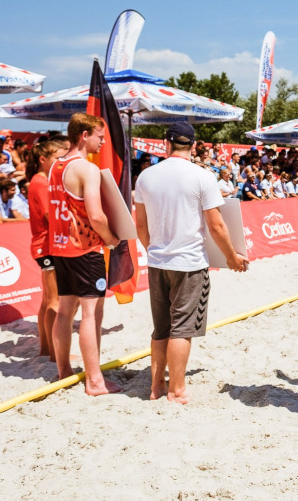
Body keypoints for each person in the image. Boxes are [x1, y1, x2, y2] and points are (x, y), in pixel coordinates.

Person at [135, 122, 249, 405]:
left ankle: (156, 386)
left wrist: (154, 250)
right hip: (189, 263)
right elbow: (216, 226)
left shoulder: (146, 177)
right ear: (194, 145)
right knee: (182, 329)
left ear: (166, 143)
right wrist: (231, 257)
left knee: (161, 328)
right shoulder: (202, 177)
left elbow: (141, 226)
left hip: (158, 261)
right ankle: (177, 390)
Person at [48, 113, 121, 395]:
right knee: (92, 314)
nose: (103, 142)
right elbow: (96, 216)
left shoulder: (55, 165)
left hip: (60, 247)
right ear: (84, 135)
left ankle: (64, 371)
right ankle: (95, 381)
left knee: (65, 311)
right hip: (85, 248)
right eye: (100, 137)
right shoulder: (87, 169)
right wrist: (112, 239)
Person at [27, 136, 70, 361]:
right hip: (47, 245)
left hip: (43, 245)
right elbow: (49, 216)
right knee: (55, 301)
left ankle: (46, 348)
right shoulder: (42, 182)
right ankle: (55, 354)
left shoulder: (38, 180)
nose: (61, 162)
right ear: (43, 159)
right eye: (58, 157)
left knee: (47, 300)